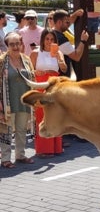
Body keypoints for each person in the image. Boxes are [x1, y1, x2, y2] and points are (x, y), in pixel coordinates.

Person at [29, 29, 67, 158]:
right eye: (47, 39)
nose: (49, 42)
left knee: (56, 115)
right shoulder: (35, 53)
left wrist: (58, 58)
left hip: (54, 85)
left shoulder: (58, 52)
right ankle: (43, 149)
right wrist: (36, 72)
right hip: (40, 85)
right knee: (41, 116)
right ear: (43, 40)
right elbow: (29, 71)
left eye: (52, 39)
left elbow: (64, 69)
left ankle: (56, 148)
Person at [0, 32, 35, 168]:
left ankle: (20, 155)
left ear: (21, 44)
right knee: (6, 131)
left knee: (21, 130)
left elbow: (32, 78)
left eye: (17, 43)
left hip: (24, 101)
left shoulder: (26, 59)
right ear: (7, 45)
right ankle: (6, 159)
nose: (15, 47)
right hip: (7, 102)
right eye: (12, 44)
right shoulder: (2, 61)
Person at [51, 9, 89, 76]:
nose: (68, 25)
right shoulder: (61, 38)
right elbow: (76, 56)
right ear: (59, 22)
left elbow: (68, 22)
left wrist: (75, 14)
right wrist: (83, 41)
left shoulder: (51, 34)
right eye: (67, 22)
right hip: (61, 77)